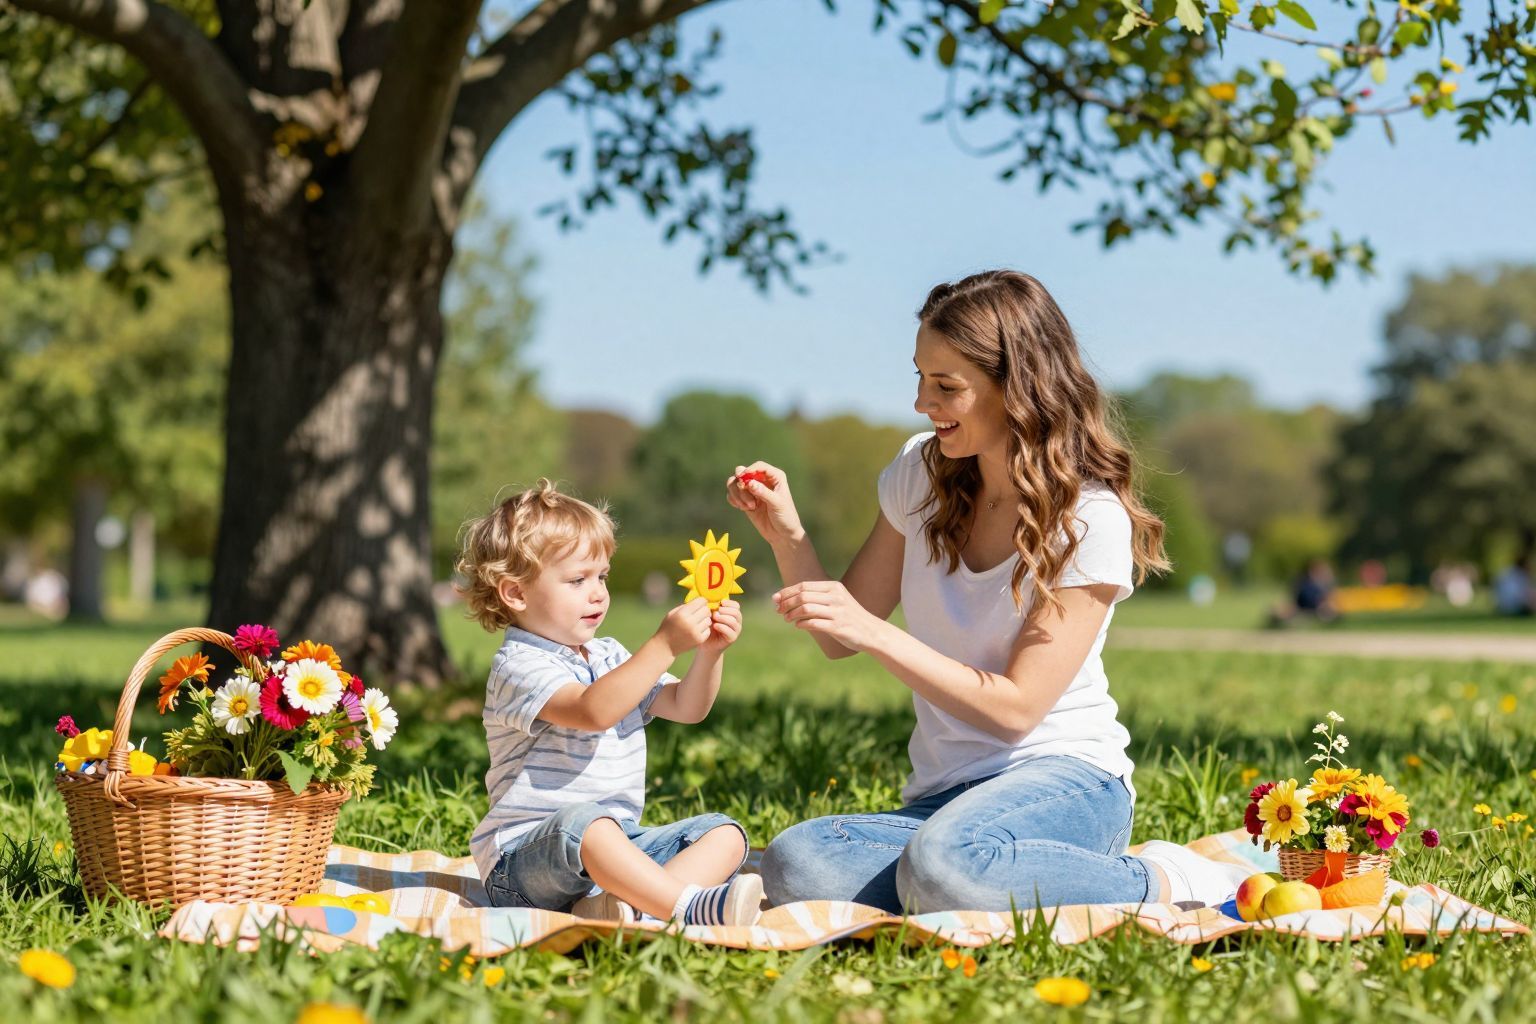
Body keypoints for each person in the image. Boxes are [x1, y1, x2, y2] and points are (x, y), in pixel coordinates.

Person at [729, 270, 1248, 914]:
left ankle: (1169, 881)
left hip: (1066, 780)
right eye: (919, 378)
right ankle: (965, 873)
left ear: (1018, 389)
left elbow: (1015, 710)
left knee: (945, 869)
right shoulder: (918, 473)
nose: (923, 403)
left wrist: (876, 633)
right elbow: (842, 635)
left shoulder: (1089, 517)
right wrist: (787, 534)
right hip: (947, 795)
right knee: (799, 863)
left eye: (947, 387)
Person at [456, 480, 762, 926]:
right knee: (589, 824)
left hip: (613, 852)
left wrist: (710, 653)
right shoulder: (517, 665)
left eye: (602, 575)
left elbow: (687, 707)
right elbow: (592, 711)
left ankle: (625, 908)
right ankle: (685, 908)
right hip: (527, 863)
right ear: (516, 593)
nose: (598, 592)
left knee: (722, 834)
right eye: (578, 580)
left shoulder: (610, 655)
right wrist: (663, 644)